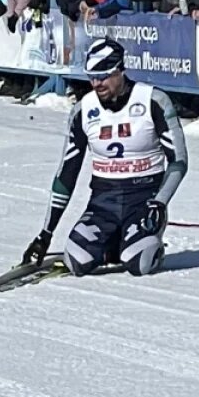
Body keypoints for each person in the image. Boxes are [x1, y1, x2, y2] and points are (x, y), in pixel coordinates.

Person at [22, 39, 188, 276]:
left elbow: (179, 162)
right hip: (103, 201)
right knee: (77, 262)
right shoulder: (83, 110)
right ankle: (112, 243)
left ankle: (146, 242)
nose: (96, 83)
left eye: (103, 76)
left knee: (139, 264)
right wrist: (45, 235)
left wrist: (159, 202)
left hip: (143, 198)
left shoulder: (153, 100)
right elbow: (66, 173)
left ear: (120, 70)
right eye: (91, 77)